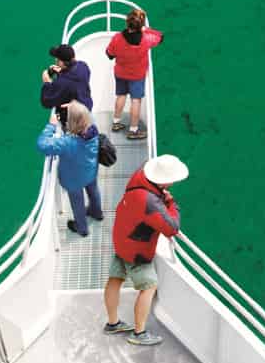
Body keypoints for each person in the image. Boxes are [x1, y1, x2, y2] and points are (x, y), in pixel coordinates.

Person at [102, 154, 188, 347]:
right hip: (137, 251)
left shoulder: (139, 176)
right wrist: (172, 204)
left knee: (115, 279)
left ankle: (112, 323)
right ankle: (139, 333)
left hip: (121, 239)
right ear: (164, 180)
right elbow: (171, 228)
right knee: (149, 286)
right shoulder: (151, 202)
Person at [36, 102, 103, 236]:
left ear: (71, 122)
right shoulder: (93, 128)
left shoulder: (67, 143)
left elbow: (42, 145)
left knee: (77, 203)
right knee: (94, 191)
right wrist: (74, 107)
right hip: (90, 171)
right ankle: (97, 212)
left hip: (74, 179)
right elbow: (84, 114)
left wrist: (51, 126)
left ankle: (82, 228)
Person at [105, 8, 162, 140]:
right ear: (141, 25)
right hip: (137, 76)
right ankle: (133, 131)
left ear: (127, 23)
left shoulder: (117, 38)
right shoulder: (147, 39)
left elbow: (109, 54)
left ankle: (116, 123)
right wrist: (146, 30)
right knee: (135, 101)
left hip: (120, 73)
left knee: (121, 96)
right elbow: (160, 37)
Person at [40, 44, 91, 129]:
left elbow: (46, 102)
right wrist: (62, 72)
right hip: (87, 109)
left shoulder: (62, 83)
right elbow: (72, 81)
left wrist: (47, 83)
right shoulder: (83, 66)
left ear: (60, 62)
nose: (55, 59)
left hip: (72, 120)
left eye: (57, 58)